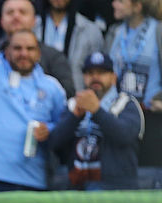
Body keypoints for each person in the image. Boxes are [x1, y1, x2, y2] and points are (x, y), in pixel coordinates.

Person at [0, 5, 67, 190]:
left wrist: (48, 130)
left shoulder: (52, 87)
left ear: (38, 53)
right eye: (17, 48)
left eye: (29, 48)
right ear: (7, 51)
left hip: (33, 180)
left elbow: (65, 125)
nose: (23, 53)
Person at [48, 50, 145, 189]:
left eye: (102, 73)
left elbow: (125, 136)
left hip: (114, 189)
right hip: (78, 188)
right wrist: (75, 117)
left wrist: (97, 111)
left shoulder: (126, 103)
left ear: (113, 77)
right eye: (90, 73)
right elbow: (54, 143)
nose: (95, 77)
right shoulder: (73, 104)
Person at [106, 0, 162, 187]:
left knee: (148, 180)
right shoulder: (114, 32)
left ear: (138, 6)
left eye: (121, 1)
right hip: (120, 119)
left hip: (151, 119)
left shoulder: (159, 31)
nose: (114, 4)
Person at [0, 0, 76, 96]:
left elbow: (67, 94)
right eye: (10, 12)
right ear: (1, 21)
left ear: (34, 20)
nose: (16, 16)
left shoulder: (54, 57)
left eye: (22, 12)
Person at [37, 0, 104, 90]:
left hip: (76, 95)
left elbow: (96, 71)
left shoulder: (90, 30)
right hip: (38, 95)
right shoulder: (33, 26)